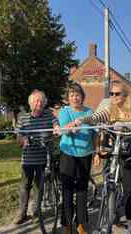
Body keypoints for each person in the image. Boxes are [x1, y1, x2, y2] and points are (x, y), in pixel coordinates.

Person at [74, 80, 131, 233]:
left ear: (125, 95)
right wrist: (81, 120)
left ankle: (130, 220)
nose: (113, 96)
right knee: (108, 176)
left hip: (129, 147)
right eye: (111, 94)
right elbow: (96, 117)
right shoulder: (109, 108)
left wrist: (126, 125)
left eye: (117, 94)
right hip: (115, 146)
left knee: (130, 185)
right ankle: (110, 211)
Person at [13, 90, 59, 224]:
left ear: (44, 103)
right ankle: (22, 212)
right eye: (36, 101)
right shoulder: (23, 118)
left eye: (41, 101)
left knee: (39, 186)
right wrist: (23, 139)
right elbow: (18, 137)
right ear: (30, 103)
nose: (39, 103)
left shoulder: (49, 115)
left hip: (44, 157)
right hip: (28, 158)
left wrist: (56, 128)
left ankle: (36, 212)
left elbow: (56, 125)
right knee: (25, 185)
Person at [58, 83, 95, 234]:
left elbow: (94, 133)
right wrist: (71, 126)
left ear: (82, 97)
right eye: (72, 95)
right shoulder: (65, 111)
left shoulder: (89, 112)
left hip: (85, 154)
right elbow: (64, 129)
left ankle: (81, 223)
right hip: (68, 154)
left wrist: (96, 151)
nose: (75, 97)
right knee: (67, 190)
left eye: (78, 95)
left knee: (81, 190)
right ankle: (67, 224)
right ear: (68, 98)